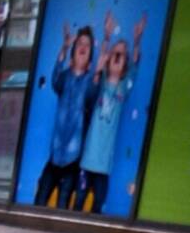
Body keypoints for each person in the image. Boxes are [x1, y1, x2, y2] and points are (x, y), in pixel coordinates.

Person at [76, 11, 145, 212]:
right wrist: (106, 38)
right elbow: (101, 59)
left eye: (121, 55)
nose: (116, 56)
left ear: (125, 64)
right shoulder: (100, 82)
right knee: (78, 205)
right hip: (86, 162)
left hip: (103, 167)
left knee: (97, 207)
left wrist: (137, 40)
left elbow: (135, 67)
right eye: (115, 53)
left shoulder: (124, 87)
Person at [35, 21, 99, 208]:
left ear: (90, 58)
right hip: (54, 156)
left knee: (62, 205)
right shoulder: (64, 77)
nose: (83, 47)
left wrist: (96, 72)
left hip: (73, 160)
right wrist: (64, 47)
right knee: (39, 201)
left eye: (87, 45)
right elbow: (55, 81)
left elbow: (93, 95)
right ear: (73, 51)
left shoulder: (90, 80)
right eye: (79, 43)